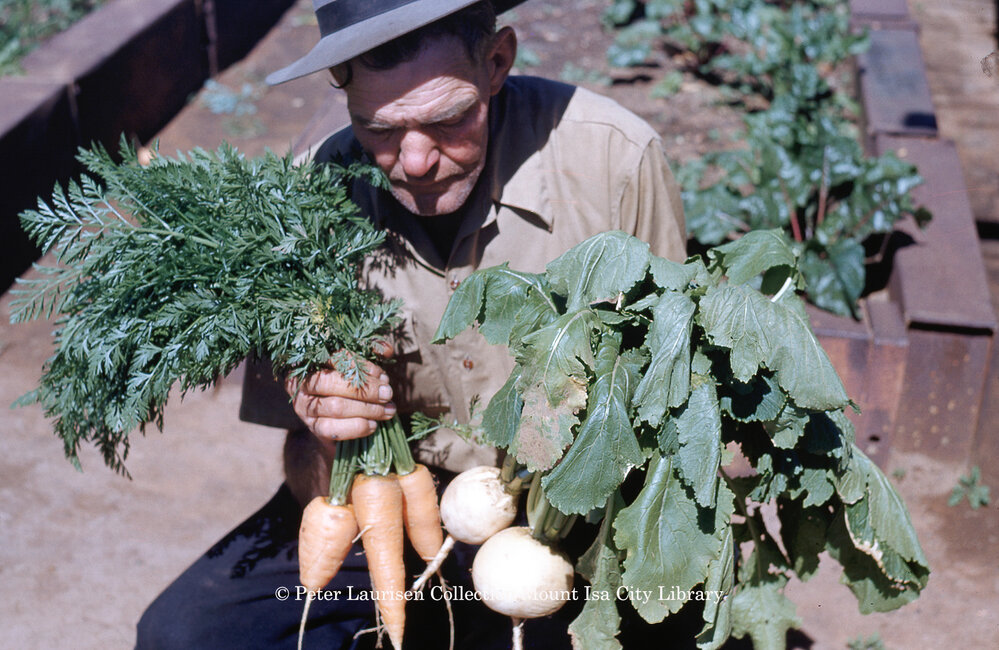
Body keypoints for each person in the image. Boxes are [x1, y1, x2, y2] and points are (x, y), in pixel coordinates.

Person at [136, 1, 686, 648]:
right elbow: (301, 472)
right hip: (402, 498)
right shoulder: (310, 197)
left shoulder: (612, 161)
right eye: (379, 129)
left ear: (497, 61)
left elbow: (672, 408)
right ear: (341, 85)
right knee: (186, 633)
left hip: (572, 511)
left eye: (448, 121)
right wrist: (325, 435)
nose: (415, 161)